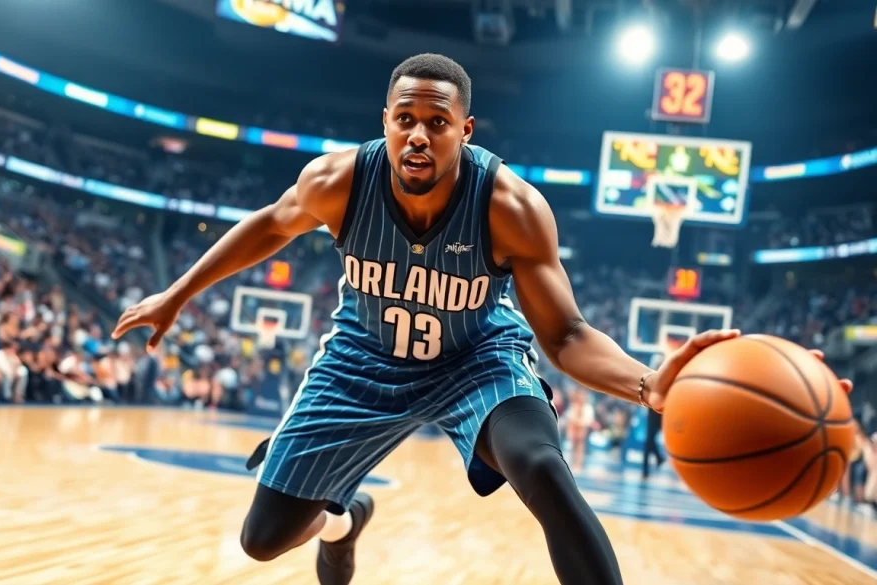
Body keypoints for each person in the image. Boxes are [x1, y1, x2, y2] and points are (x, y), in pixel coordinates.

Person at [111, 54, 853, 585]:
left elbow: (562, 335)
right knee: (262, 540)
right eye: (406, 119)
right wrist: (177, 292)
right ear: (387, 122)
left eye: (437, 121)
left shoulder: (511, 206)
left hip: (477, 360)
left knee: (541, 466)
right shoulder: (339, 180)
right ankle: (346, 515)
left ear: (466, 127)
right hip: (362, 359)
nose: (419, 136)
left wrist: (648, 382)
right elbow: (271, 226)